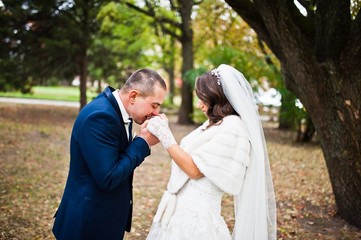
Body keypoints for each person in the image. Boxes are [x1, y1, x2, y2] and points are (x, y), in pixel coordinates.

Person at [145, 64, 277, 239]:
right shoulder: (213, 125)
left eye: (203, 99)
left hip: (198, 220)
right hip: (179, 213)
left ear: (217, 98)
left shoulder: (233, 128)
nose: (199, 104)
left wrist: (165, 135)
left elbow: (194, 170)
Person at [52, 68, 167, 240]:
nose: (156, 113)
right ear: (133, 96)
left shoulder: (115, 110)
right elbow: (108, 178)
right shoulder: (100, 117)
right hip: (88, 224)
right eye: (154, 105)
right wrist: (143, 143)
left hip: (102, 219)